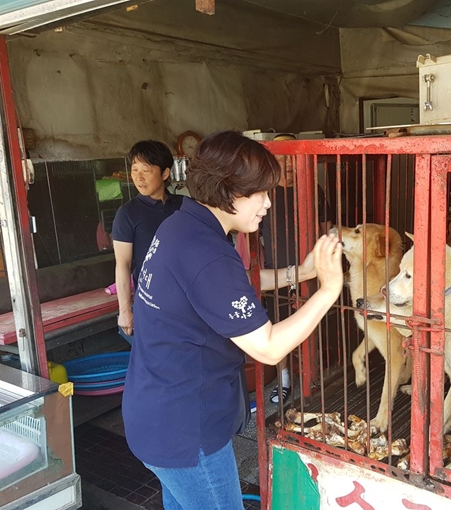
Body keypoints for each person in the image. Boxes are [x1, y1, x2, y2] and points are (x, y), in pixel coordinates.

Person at [121, 130, 343, 510]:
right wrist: (327, 291)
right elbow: (268, 347)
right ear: (228, 191)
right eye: (259, 193)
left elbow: (227, 287)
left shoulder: (179, 227)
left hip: (154, 415)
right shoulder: (205, 251)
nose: (268, 204)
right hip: (188, 432)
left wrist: (300, 272)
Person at [261, 133, 333, 404]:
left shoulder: (312, 189)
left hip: (310, 273)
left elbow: (326, 230)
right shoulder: (264, 193)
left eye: (293, 158)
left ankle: (312, 379)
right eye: (282, 158)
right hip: (276, 275)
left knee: (311, 325)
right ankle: (284, 380)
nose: (289, 164)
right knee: (278, 327)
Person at [111, 141, 183, 344]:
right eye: (134, 170)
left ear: (165, 173)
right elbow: (123, 265)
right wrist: (124, 310)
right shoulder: (128, 213)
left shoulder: (183, 206)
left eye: (146, 170)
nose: (138, 177)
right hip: (150, 306)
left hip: (185, 303)